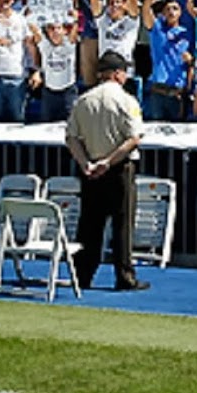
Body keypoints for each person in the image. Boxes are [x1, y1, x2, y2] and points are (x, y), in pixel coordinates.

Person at [64, 51, 148, 292]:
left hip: (90, 169)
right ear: (118, 74)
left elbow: (71, 137)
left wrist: (85, 163)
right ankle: (124, 276)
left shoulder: (83, 100)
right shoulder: (126, 101)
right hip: (119, 169)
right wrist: (109, 161)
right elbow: (133, 138)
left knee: (89, 224)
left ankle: (83, 274)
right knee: (123, 224)